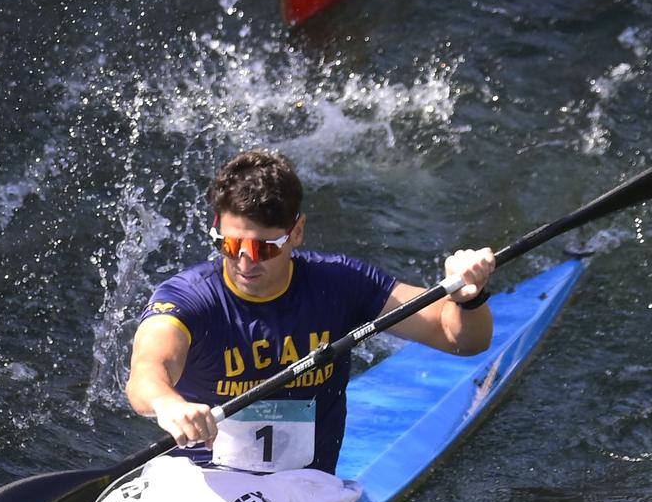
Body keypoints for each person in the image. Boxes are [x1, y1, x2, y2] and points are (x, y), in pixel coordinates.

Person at [127, 149, 496, 477]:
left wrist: (467, 298)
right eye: (230, 244)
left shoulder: (339, 283)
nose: (244, 261)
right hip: (203, 486)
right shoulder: (189, 298)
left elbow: (460, 339)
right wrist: (168, 404)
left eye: (264, 248)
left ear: (297, 232)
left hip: (306, 494)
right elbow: (147, 372)